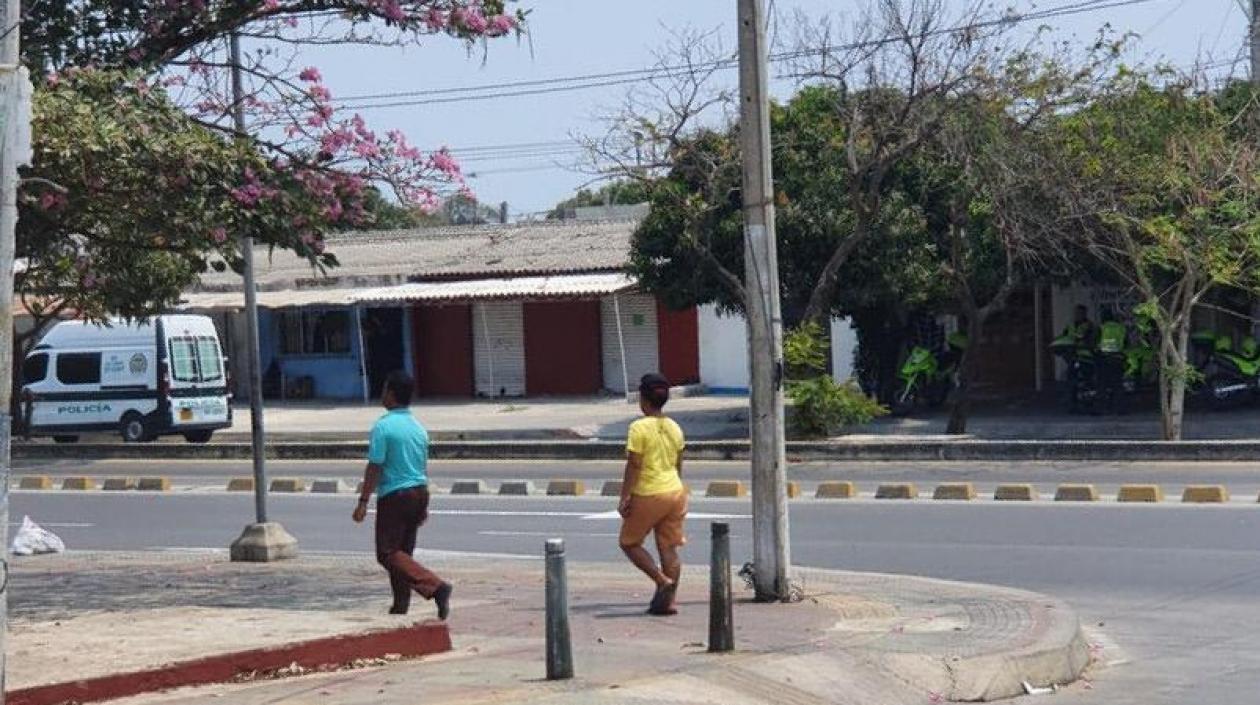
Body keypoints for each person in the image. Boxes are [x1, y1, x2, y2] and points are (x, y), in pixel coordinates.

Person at [352, 370, 452, 619]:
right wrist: (424, 502)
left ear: (392, 394)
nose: (382, 394)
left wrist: (363, 501)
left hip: (395, 495)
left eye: (385, 389)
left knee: (387, 553)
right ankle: (400, 606)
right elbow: (421, 465)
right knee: (402, 556)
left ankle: (436, 587)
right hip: (419, 492)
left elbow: (375, 465)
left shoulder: (384, 426)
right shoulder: (418, 428)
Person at [618, 373, 687, 616]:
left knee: (629, 542)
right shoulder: (674, 427)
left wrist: (625, 497)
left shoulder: (638, 427)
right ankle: (669, 601)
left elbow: (634, 465)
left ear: (643, 399)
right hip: (675, 491)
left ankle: (661, 581)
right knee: (668, 547)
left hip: (649, 492)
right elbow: (679, 463)